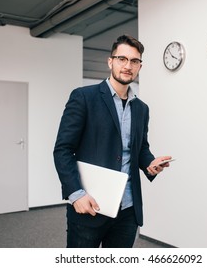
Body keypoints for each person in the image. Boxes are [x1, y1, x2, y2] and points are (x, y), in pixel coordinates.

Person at [53, 34, 172, 248]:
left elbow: (140, 148)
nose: (128, 66)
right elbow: (62, 150)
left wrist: (150, 164)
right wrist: (75, 194)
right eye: (122, 59)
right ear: (110, 61)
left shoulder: (141, 108)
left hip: (127, 209)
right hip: (89, 205)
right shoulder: (83, 97)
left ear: (139, 67)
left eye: (134, 61)